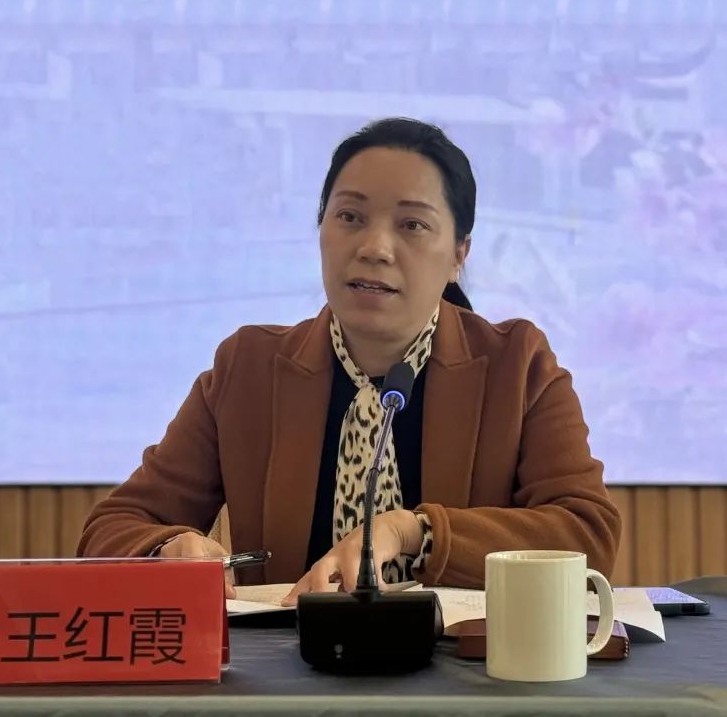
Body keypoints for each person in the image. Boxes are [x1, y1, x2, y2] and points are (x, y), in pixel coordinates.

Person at [77, 117, 621, 603]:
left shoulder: (517, 366)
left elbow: (586, 535)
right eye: (350, 216)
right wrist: (168, 546)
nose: (374, 247)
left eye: (412, 225)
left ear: (460, 252)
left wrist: (414, 532)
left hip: (464, 674)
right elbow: (115, 527)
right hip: (292, 672)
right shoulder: (248, 369)